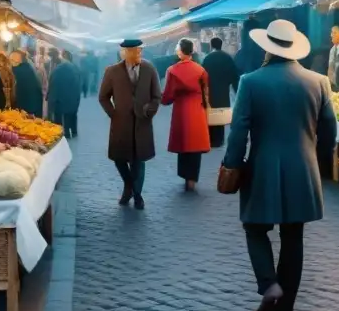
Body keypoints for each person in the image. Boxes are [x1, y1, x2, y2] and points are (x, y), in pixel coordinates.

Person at [222, 20, 337, 311]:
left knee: (254, 227)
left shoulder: (251, 81)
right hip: (303, 166)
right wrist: (320, 163)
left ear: (267, 46)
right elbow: (329, 132)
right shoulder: (319, 82)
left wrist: (233, 164)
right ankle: (286, 310)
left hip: (262, 165)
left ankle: (269, 284)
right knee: (293, 236)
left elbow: (239, 131)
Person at [99, 39, 161, 209]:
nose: (139, 54)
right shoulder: (112, 71)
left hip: (142, 123)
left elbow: (157, 96)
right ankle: (129, 185)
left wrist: (149, 111)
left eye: (140, 51)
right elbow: (103, 97)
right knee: (119, 158)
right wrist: (114, 114)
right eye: (135, 51)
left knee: (139, 161)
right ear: (125, 53)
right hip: (121, 124)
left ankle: (138, 195)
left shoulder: (149, 69)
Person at [161, 39, 212, 191]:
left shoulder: (172, 70)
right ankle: (192, 177)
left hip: (181, 111)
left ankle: (184, 175)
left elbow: (168, 96)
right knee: (195, 146)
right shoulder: (201, 70)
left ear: (180, 51)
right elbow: (206, 93)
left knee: (183, 144)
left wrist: (160, 99)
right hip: (197, 110)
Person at [202, 36, 240, 148]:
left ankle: (211, 139)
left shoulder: (207, 58)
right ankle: (219, 140)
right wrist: (237, 91)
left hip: (210, 90)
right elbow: (234, 76)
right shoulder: (227, 58)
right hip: (223, 90)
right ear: (221, 45)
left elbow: (202, 75)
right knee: (221, 114)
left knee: (210, 114)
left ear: (211, 45)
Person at [47, 51, 81, 138]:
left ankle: (63, 133)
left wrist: (50, 97)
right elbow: (79, 83)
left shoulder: (57, 70)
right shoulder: (75, 68)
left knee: (59, 115)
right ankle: (73, 132)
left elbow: (52, 84)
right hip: (73, 97)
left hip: (59, 97)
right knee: (71, 114)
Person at [10, 49, 43, 117]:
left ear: (18, 61)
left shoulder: (17, 71)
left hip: (26, 110)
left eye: (11, 60)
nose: (10, 63)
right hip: (34, 108)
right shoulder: (28, 68)